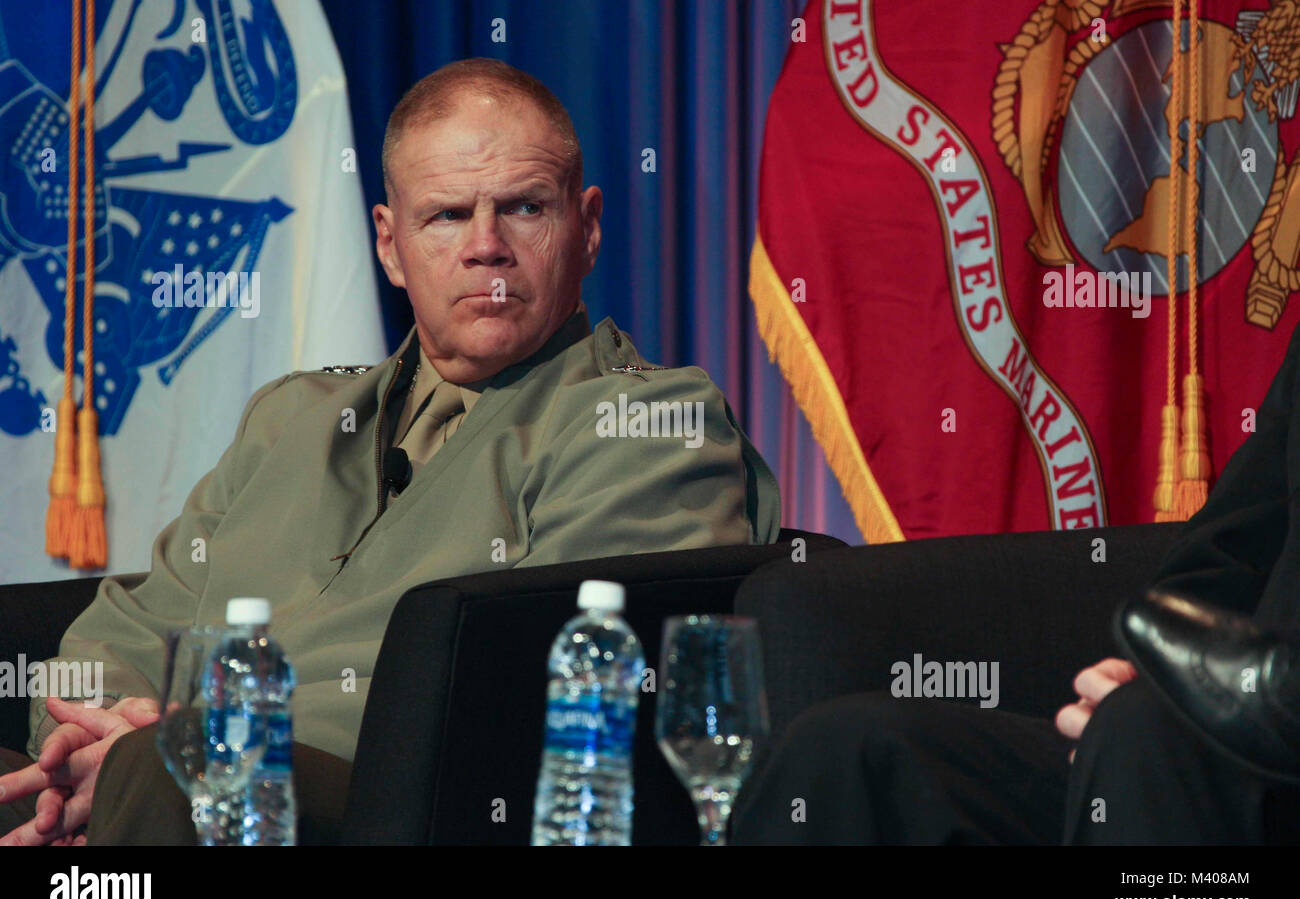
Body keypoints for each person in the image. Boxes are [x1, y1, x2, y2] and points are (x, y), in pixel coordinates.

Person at [0, 58, 780, 845]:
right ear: (389, 244)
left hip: (415, 815)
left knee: (182, 769)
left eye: (523, 207)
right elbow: (131, 626)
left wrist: (178, 742)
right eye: (446, 215)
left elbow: (535, 696)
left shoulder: (647, 423)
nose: (486, 247)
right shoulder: (291, 418)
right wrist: (95, 737)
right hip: (175, 790)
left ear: (587, 228)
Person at [732, 319, 1300, 846]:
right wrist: (1155, 669)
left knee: (1142, 734)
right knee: (851, 749)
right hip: (1220, 745)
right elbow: (1230, 550)